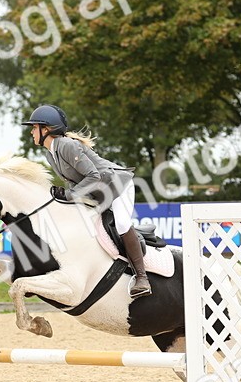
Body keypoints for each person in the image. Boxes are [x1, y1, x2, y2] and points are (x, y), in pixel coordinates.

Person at [20, 104, 151, 298]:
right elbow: (75, 181)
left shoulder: (66, 145)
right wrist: (65, 196)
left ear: (46, 129)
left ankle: (142, 278)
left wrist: (70, 195)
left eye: (34, 127)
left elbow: (93, 175)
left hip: (117, 185)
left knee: (122, 224)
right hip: (97, 192)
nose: (32, 132)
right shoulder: (50, 154)